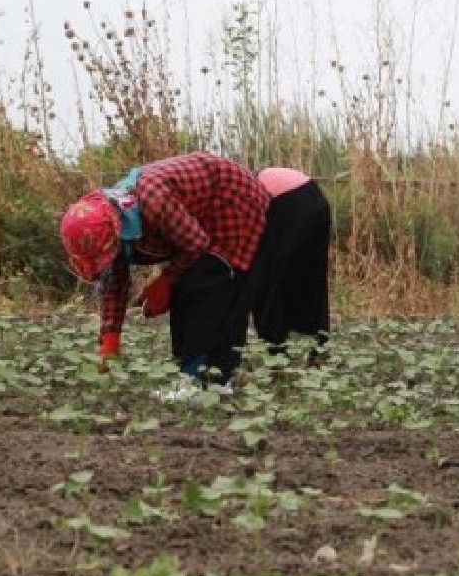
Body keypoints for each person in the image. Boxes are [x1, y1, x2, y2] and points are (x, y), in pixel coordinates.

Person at [60, 151, 271, 401]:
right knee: (190, 282)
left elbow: (196, 244)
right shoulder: (113, 222)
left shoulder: (153, 202)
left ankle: (204, 381)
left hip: (234, 196)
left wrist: (166, 282)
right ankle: (206, 378)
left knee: (208, 280)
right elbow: (114, 283)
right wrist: (110, 342)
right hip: (200, 214)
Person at [250, 167, 333, 363]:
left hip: (288, 201)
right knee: (311, 277)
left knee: (265, 279)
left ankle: (275, 349)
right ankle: (319, 345)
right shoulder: (249, 180)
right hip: (316, 199)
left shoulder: (240, 190)